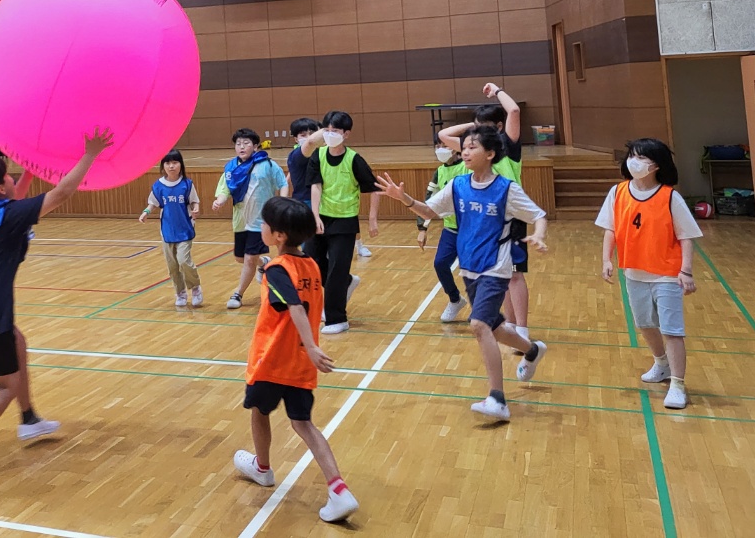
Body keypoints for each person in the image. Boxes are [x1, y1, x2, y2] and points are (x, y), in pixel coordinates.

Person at [0, 129, 113, 481]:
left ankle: (29, 419)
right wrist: (91, 153)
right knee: (3, 386)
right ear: (1, 189)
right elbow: (62, 193)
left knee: (17, 343)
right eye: (8, 176)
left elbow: (15, 195)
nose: (11, 178)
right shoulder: (10, 215)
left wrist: (30, 166)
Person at [376, 125, 548, 422]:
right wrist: (403, 198)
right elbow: (430, 211)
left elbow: (538, 215)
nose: (465, 152)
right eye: (464, 147)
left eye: (473, 147)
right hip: (469, 266)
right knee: (494, 327)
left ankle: (497, 399)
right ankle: (532, 350)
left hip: (496, 266)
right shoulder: (458, 185)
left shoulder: (506, 189)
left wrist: (539, 235)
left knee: (479, 324)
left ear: (490, 154)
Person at [232, 197, 359, 523]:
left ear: (277, 236)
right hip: (301, 365)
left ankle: (262, 468)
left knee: (259, 412)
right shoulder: (312, 266)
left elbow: (295, 307)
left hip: (271, 362)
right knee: (303, 424)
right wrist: (311, 349)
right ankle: (339, 489)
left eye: (264, 223)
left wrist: (313, 347)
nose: (261, 227)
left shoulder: (278, 269)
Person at [597, 138, 701, 410]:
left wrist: (686, 271)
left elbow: (686, 236)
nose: (634, 161)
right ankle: (661, 364)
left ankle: (678, 385)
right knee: (644, 324)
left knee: (672, 330)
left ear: (656, 165)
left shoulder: (669, 196)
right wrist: (606, 259)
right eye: (632, 155)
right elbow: (611, 228)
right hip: (634, 272)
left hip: (667, 274)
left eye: (641, 157)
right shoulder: (618, 192)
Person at [439, 84, 531, 343]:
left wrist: (497, 91)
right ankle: (510, 325)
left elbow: (513, 110)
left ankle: (522, 328)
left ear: (499, 127)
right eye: (477, 128)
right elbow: (444, 134)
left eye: (485, 127)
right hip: (485, 220)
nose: (479, 133)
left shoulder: (508, 147)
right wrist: (473, 126)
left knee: (514, 274)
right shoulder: (476, 147)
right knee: (499, 276)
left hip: (510, 217)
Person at [306, 111, 379, 333]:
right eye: (326, 130)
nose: (329, 135)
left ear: (346, 134)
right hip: (322, 218)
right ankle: (346, 282)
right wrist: (315, 216)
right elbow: (316, 186)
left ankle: (337, 319)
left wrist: (372, 219)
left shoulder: (354, 159)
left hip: (345, 221)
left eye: (335, 131)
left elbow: (375, 189)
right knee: (311, 262)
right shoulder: (317, 156)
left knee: (337, 269)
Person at [214, 128, 289, 310]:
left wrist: (282, 203)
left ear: (255, 146)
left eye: (246, 143)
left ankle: (238, 293)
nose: (242, 147)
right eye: (238, 144)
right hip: (241, 221)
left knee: (248, 260)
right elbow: (225, 190)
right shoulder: (231, 168)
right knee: (241, 258)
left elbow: (283, 184)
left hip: (260, 221)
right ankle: (264, 263)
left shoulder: (267, 165)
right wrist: (220, 201)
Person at [139, 150, 203, 308]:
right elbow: (153, 203)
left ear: (181, 165)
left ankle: (195, 287)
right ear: (163, 166)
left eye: (175, 162)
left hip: (185, 230)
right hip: (167, 231)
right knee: (173, 266)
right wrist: (146, 212)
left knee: (184, 260)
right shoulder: (159, 186)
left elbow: (195, 202)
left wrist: (195, 209)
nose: (171, 166)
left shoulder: (187, 184)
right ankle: (180, 292)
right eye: (168, 163)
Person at [417, 142, 467, 323]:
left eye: (445, 145)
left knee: (472, 271)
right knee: (440, 263)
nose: (441, 150)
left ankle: (480, 310)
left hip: (471, 231)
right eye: (438, 145)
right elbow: (429, 201)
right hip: (450, 229)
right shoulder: (439, 172)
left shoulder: (466, 168)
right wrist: (422, 228)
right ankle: (455, 299)